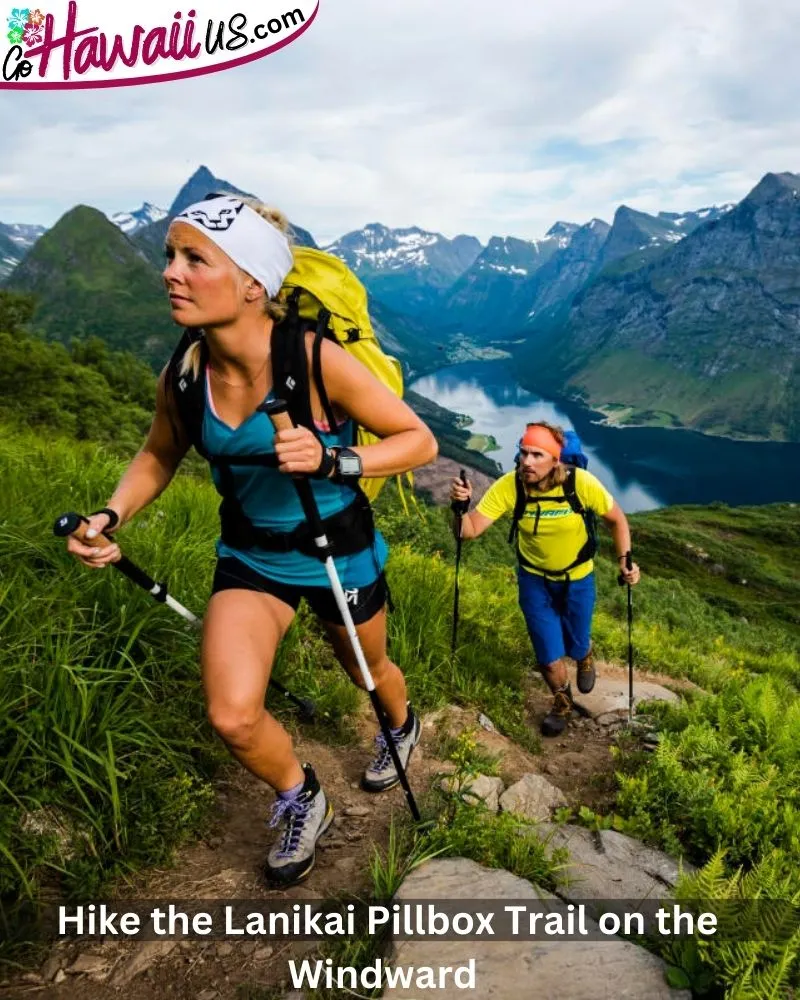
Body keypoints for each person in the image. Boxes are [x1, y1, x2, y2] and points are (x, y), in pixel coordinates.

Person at [65, 194, 438, 887]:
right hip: (251, 557)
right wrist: (110, 516)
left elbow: (418, 440)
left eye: (193, 259)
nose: (171, 273)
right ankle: (304, 797)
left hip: (337, 551)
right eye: (170, 257)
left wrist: (335, 460)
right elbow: (158, 454)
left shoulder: (316, 360)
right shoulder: (184, 372)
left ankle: (402, 723)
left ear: (252, 284)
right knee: (232, 716)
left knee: (365, 671)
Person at [449, 421, 639, 736]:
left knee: (576, 645)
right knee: (548, 657)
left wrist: (625, 562)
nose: (526, 461)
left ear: (556, 459)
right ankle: (563, 703)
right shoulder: (510, 486)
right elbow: (467, 532)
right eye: (523, 453)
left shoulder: (581, 483)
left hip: (578, 578)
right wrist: (459, 507)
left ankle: (584, 653)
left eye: (537, 454)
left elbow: (616, 519)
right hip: (534, 580)